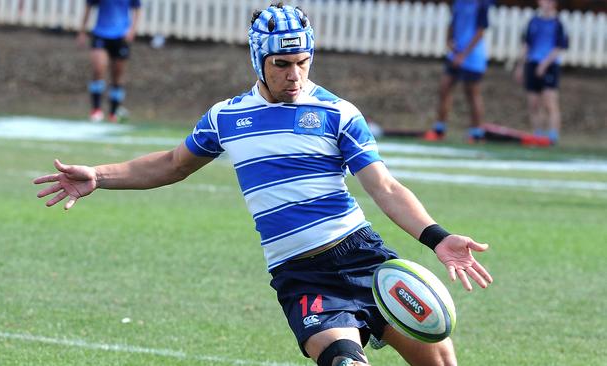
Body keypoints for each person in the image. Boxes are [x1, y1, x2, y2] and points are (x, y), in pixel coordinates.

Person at [35, 3, 493, 366]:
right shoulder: (227, 117)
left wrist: (438, 238)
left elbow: (386, 188)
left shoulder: (338, 113)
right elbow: (173, 164)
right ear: (259, 59)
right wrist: (100, 175)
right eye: (281, 64)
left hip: (363, 256)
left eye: (303, 62)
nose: (294, 75)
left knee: (441, 362)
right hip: (301, 275)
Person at [425, 0, 493, 143]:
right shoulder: (458, 2)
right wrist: (449, 40)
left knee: (472, 94)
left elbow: (480, 32)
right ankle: (439, 129)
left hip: (473, 56)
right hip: (455, 54)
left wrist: (464, 55)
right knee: (444, 88)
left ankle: (476, 132)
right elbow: (453, 23)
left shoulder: (482, 4)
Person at [513, 0, 568, 145]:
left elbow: (559, 47)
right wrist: (520, 66)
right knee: (533, 103)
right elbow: (527, 45)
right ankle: (538, 135)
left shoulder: (558, 24)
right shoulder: (533, 22)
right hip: (532, 63)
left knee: (550, 102)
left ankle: (553, 135)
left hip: (550, 66)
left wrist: (544, 65)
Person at [77, 0, 141, 123]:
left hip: (121, 36)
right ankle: (96, 110)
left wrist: (132, 29)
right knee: (98, 69)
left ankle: (114, 112)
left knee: (117, 75)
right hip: (101, 33)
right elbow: (88, 6)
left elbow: (137, 8)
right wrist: (82, 31)